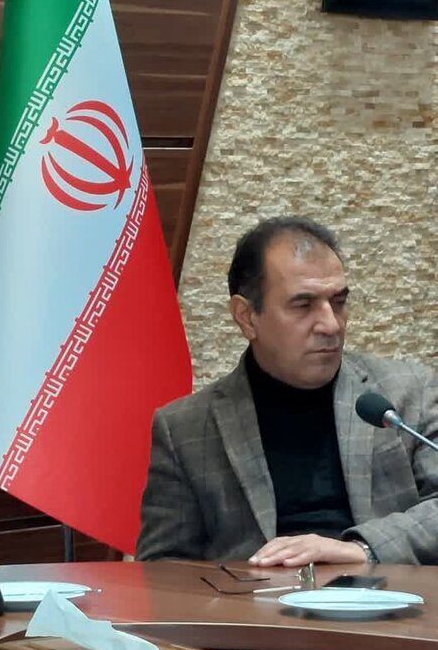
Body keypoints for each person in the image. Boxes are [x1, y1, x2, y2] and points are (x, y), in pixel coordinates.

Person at [138, 216, 437, 566]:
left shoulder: (407, 392)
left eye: (338, 302)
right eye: (303, 305)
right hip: (258, 597)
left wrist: (363, 549)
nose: (331, 325)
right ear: (247, 317)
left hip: (383, 595)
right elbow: (162, 566)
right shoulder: (184, 428)